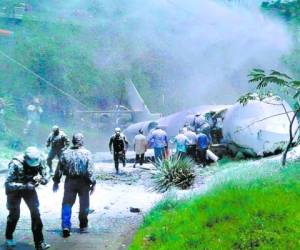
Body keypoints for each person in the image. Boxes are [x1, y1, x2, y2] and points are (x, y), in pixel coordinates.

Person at [4, 147, 51, 250]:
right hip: (14, 191)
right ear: (25, 159)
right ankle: (9, 237)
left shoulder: (40, 160)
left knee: (36, 213)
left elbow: (47, 173)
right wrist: (25, 186)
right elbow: (7, 184)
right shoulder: (15, 163)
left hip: (29, 188)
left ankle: (39, 243)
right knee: (14, 215)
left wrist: (43, 180)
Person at [53, 133, 96, 238]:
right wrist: (93, 182)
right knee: (84, 204)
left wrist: (56, 181)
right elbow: (90, 170)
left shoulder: (65, 153)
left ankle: (66, 226)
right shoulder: (87, 153)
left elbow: (59, 169)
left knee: (67, 204)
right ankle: (83, 226)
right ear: (82, 141)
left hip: (70, 182)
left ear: (73, 141)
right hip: (84, 182)